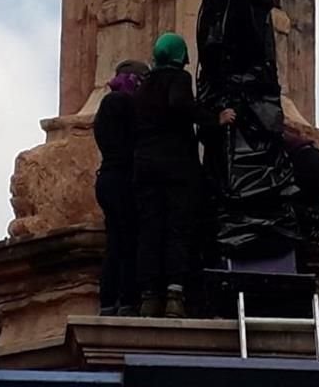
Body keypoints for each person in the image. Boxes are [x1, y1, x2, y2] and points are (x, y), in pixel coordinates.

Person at [133, 33, 235, 318]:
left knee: (150, 231)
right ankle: (175, 295)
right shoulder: (178, 79)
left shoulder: (142, 86)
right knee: (177, 229)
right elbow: (180, 104)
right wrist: (215, 119)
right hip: (176, 167)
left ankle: (148, 297)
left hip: (144, 167)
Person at [93, 59, 150, 316]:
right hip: (123, 180)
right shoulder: (126, 104)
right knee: (128, 242)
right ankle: (126, 300)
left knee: (114, 242)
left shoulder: (106, 106)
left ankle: (108, 301)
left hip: (107, 178)